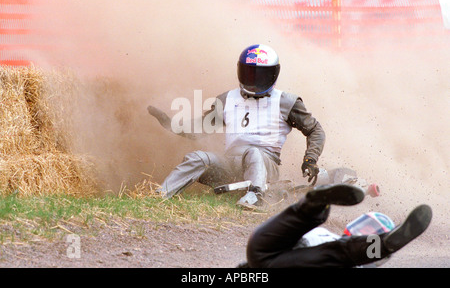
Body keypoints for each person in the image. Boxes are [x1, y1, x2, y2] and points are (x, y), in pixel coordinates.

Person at [148, 44, 325, 208]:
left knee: (252, 151)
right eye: (250, 74)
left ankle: (256, 196)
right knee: (197, 157)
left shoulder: (287, 101)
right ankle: (160, 195)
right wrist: (172, 125)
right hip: (230, 165)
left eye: (261, 75)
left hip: (266, 164)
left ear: (273, 74)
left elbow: (315, 130)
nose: (255, 81)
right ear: (240, 71)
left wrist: (310, 159)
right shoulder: (227, 99)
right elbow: (200, 129)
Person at [241, 183, 432, 268]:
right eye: (364, 227)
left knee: (342, 252)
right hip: (268, 257)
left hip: (262, 254)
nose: (360, 233)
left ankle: (314, 205)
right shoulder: (332, 241)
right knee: (342, 251)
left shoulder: (338, 247)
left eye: (367, 233)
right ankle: (315, 204)